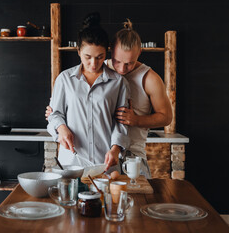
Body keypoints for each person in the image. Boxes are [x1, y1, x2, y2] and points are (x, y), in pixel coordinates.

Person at [46, 19, 172, 178]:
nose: (121, 68)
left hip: (126, 156)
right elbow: (57, 114)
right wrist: (58, 122)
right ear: (111, 52)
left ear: (139, 52)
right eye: (117, 61)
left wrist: (133, 121)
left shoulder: (139, 80)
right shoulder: (76, 73)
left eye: (129, 63)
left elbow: (165, 117)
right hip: (80, 160)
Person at [47, 13, 130, 171]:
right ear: (78, 51)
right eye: (88, 57)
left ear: (107, 52)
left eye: (100, 57)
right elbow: (54, 114)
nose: (93, 64)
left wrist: (116, 149)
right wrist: (61, 128)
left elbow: (121, 122)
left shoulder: (119, 82)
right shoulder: (64, 79)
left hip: (105, 164)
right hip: (71, 163)